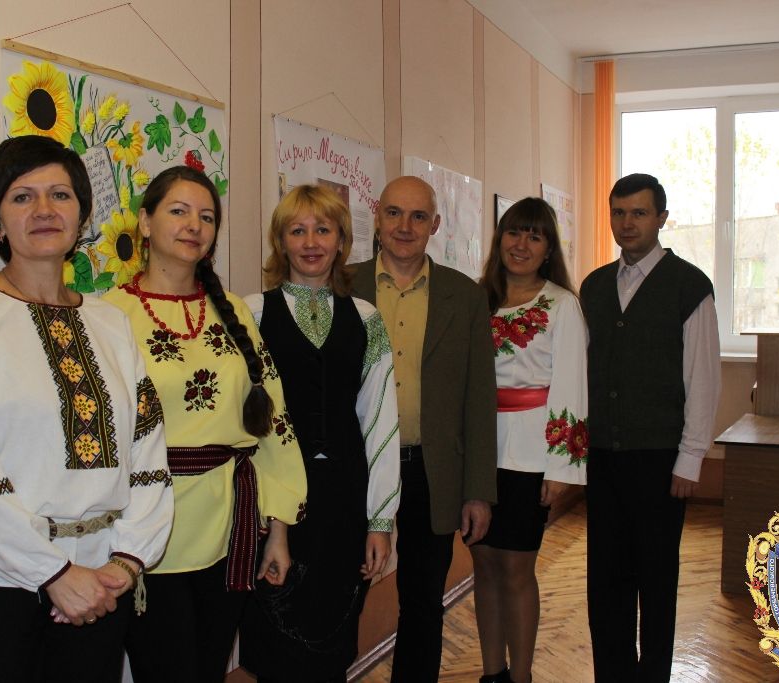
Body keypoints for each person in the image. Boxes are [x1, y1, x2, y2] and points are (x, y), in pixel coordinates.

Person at [0, 135, 174, 683]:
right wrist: (52, 572)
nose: (44, 209)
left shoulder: (111, 323)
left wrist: (128, 560)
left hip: (99, 583)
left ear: (81, 216)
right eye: (22, 197)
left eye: (60, 194)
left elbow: (148, 447)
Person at [102, 166, 307, 682]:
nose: (194, 225)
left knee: (209, 668)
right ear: (145, 222)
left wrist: (279, 529)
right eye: (179, 211)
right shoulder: (108, 316)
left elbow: (271, 421)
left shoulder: (232, 310)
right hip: (146, 534)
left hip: (229, 529)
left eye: (207, 216)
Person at [239, 184, 400, 683]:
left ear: (342, 241)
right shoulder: (251, 313)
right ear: (280, 241)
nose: (311, 242)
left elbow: (380, 420)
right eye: (297, 230)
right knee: (275, 641)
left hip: (345, 500)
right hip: (273, 500)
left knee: (333, 639)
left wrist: (380, 521)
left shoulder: (366, 319)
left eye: (323, 230)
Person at [350, 175, 497, 683]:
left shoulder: (465, 296)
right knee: (344, 596)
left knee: (422, 602)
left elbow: (479, 399)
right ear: (377, 217)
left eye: (418, 216)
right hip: (358, 470)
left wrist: (477, 490)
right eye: (394, 213)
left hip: (431, 472)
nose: (404, 226)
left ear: (435, 224)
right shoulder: (343, 285)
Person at [580, 173, 720, 682]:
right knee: (606, 582)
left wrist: (691, 457)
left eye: (638, 213)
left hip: (660, 460)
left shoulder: (689, 286)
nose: (627, 223)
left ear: (661, 218)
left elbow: (703, 378)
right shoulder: (594, 286)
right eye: (618, 213)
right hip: (603, 456)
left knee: (656, 582)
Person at [472, 197, 588, 683]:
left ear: (548, 249)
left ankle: (521, 676)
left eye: (534, 236)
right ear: (499, 238)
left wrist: (562, 468)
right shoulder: (476, 300)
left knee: (516, 571)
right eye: (514, 232)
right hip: (477, 453)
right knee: (484, 568)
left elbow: (572, 385)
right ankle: (492, 673)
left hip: (531, 455)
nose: (521, 244)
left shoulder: (562, 305)